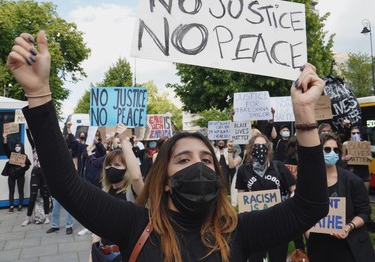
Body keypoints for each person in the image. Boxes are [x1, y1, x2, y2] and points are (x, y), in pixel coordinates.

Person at [7, 30, 329, 262]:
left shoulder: (240, 232)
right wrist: (39, 94)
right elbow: (66, 185)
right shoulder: (134, 225)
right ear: (164, 179)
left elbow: (311, 205)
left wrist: (304, 114)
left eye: (205, 158)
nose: (198, 165)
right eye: (183, 159)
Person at [306, 132, 375, 261]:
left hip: (349, 247)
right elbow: (304, 211)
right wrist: (308, 232)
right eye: (327, 149)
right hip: (320, 247)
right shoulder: (309, 182)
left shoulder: (353, 181)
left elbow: (364, 212)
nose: (332, 152)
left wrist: (349, 227)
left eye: (335, 150)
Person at [235, 134, 296, 262]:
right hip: (254, 225)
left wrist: (289, 205)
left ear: (268, 148)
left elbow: (294, 189)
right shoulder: (243, 170)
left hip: (278, 222)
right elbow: (241, 195)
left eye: (263, 146)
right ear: (251, 149)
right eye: (256, 146)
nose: (260, 149)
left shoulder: (278, 167)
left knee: (277, 258)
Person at [89, 124, 144, 262]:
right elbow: (97, 227)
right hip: (103, 253)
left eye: (117, 165)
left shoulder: (133, 192)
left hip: (125, 254)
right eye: (108, 165)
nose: (111, 168)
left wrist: (124, 139)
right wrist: (92, 253)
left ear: (126, 170)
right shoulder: (104, 192)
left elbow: (136, 176)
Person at [21, 128, 50, 226]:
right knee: (32, 196)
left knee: (45, 195)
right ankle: (28, 217)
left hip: (45, 173)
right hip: (36, 172)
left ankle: (46, 216)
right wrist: (27, 129)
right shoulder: (35, 146)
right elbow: (30, 138)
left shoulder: (47, 148)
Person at [1, 132, 31, 213]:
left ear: (21, 147)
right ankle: (11, 206)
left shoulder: (24, 156)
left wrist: (24, 165)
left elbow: (28, 165)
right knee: (11, 191)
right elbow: (5, 147)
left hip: (20, 175)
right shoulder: (11, 154)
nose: (17, 147)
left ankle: (20, 205)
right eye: (16, 146)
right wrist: (5, 138)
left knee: (21, 190)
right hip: (11, 175)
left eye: (19, 146)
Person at [342, 126, 371, 192]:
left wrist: (369, 158)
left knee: (365, 194)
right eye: (353, 133)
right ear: (350, 134)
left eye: (358, 133)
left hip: (364, 170)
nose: (356, 134)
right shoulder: (346, 144)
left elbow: (370, 158)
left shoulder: (365, 143)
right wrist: (346, 158)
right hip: (352, 170)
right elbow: (342, 158)